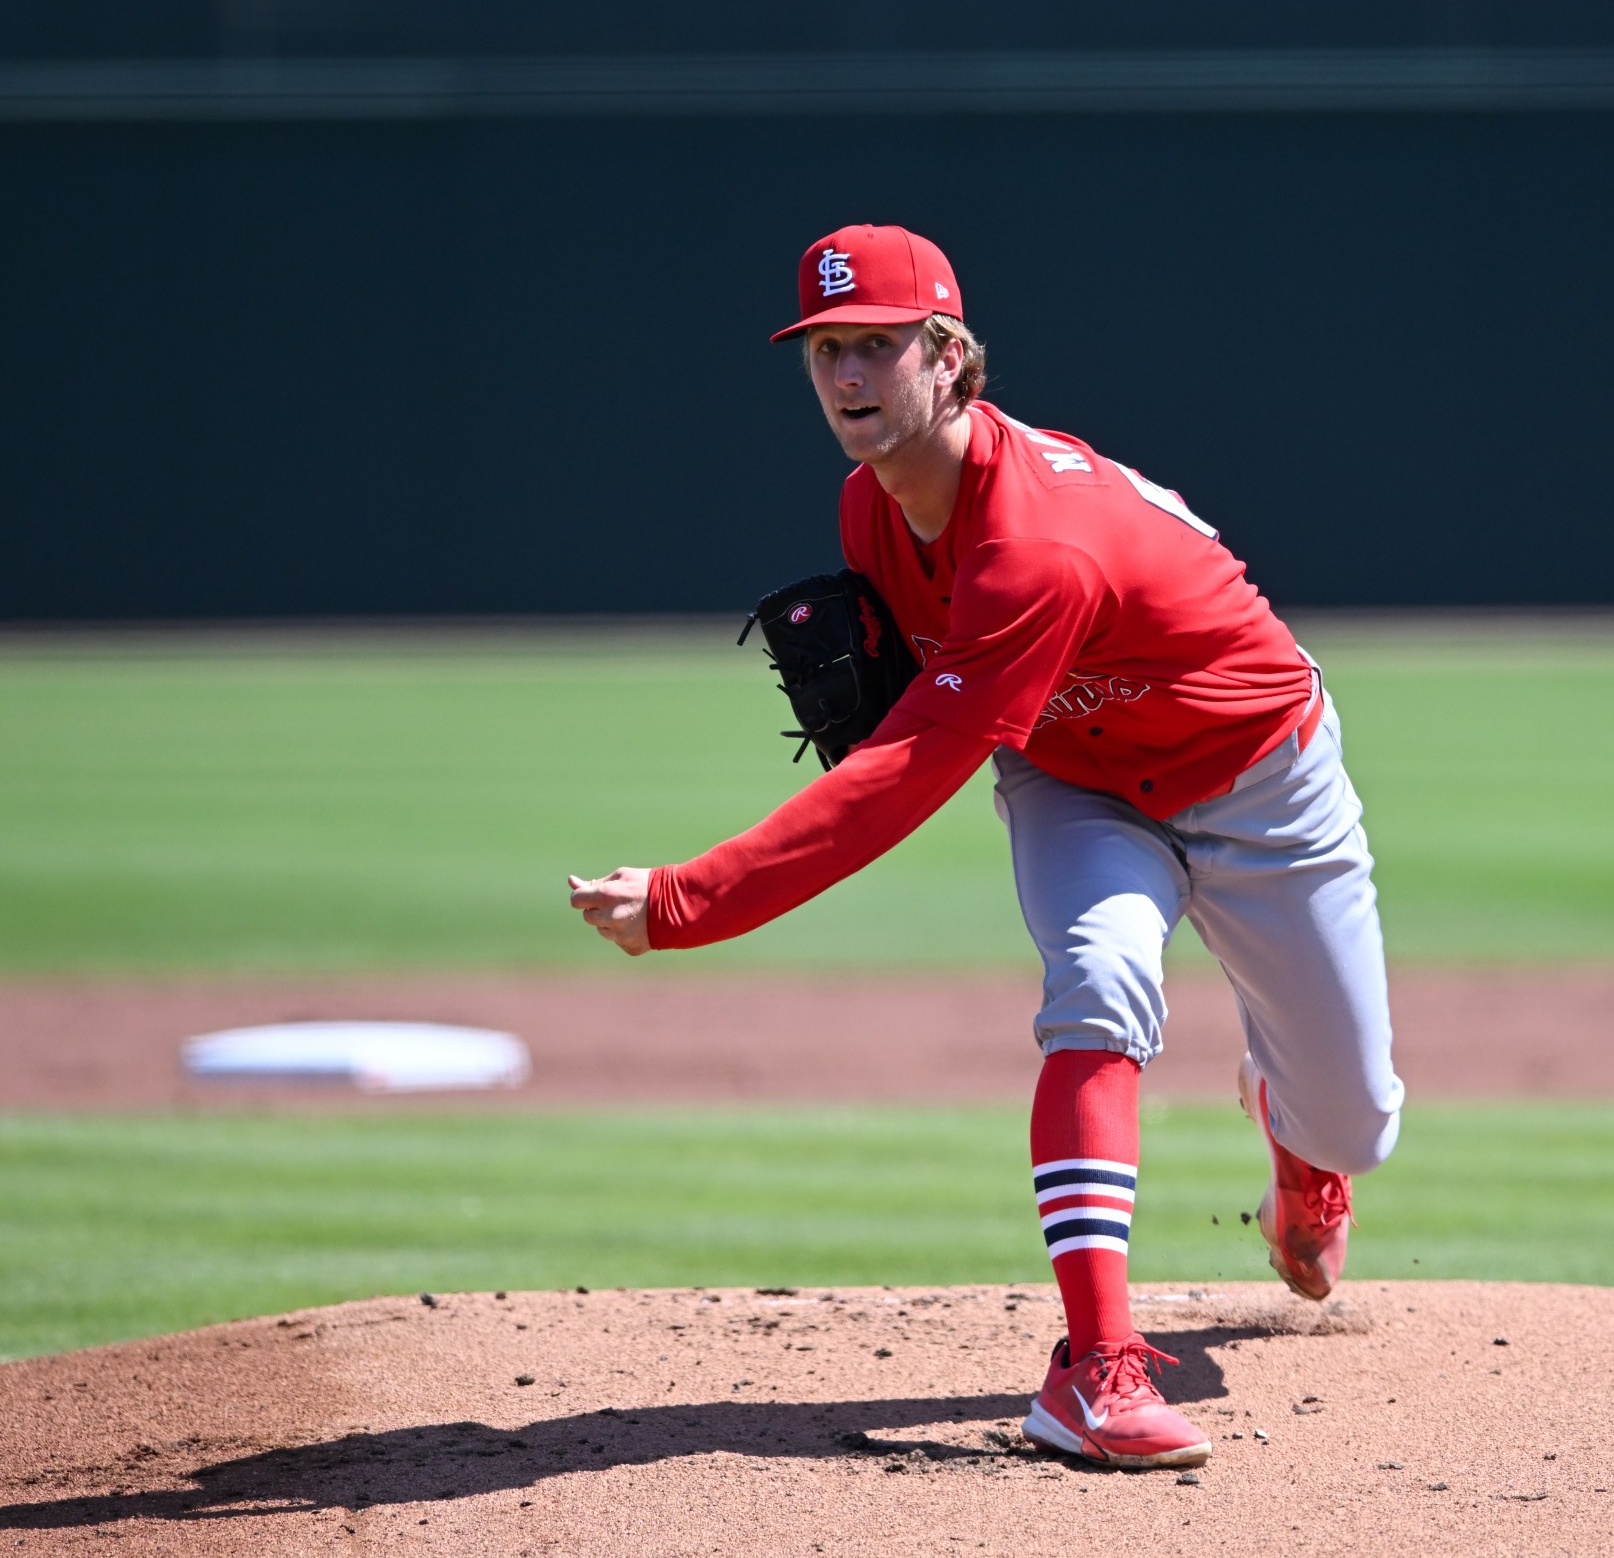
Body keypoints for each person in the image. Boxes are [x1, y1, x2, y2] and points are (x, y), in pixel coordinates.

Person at [568, 224, 1403, 1470]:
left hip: (1259, 777)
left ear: (949, 356)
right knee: (1100, 987)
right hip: (1077, 784)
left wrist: (693, 900)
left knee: (1359, 1121)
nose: (848, 377)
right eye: (826, 351)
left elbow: (903, 776)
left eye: (878, 348)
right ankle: (1096, 1371)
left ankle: (1295, 1126)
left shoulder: (1038, 548)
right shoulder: (870, 506)